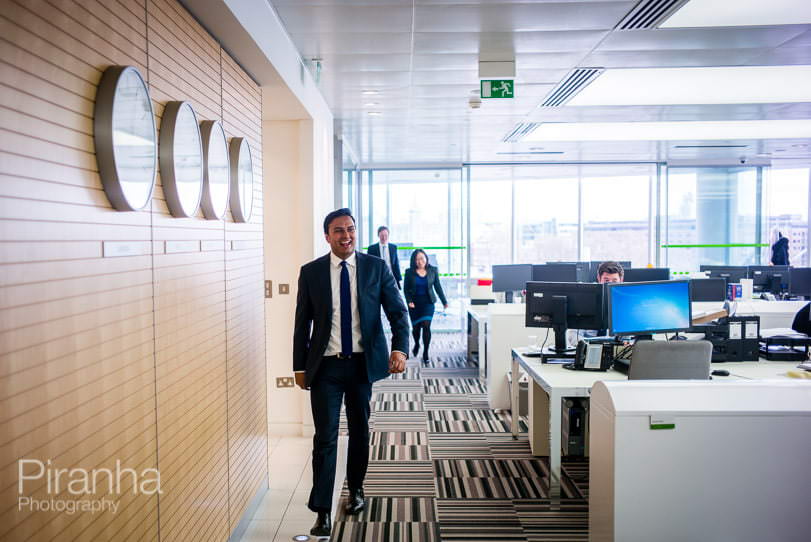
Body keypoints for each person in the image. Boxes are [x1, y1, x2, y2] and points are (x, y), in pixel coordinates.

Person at [293, 208, 409, 537]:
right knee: (325, 438)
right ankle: (323, 510)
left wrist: (399, 348)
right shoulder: (312, 272)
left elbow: (398, 313)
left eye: (351, 229)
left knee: (359, 431)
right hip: (326, 367)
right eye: (338, 230)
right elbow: (302, 322)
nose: (346, 236)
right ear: (327, 236)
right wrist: (299, 366)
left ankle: (356, 490)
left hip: (362, 364)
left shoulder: (376, 267)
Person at [403, 248, 448, 364]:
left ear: (426, 259)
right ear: (414, 261)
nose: (420, 261)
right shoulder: (409, 272)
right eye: (417, 259)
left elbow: (438, 287)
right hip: (414, 305)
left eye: (422, 258)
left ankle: (426, 353)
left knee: (426, 326)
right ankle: (417, 343)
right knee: (416, 329)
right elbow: (406, 289)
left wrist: (444, 301)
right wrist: (409, 301)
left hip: (428, 303)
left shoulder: (433, 270)